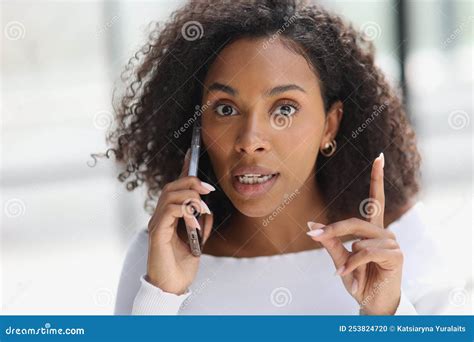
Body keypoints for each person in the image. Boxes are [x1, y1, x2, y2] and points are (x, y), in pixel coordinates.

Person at [101, 0, 467, 315]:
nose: (250, 141)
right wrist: (161, 297)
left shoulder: (400, 243)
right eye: (226, 109)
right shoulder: (157, 254)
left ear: (330, 124)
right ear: (197, 128)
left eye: (285, 109)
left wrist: (388, 314)